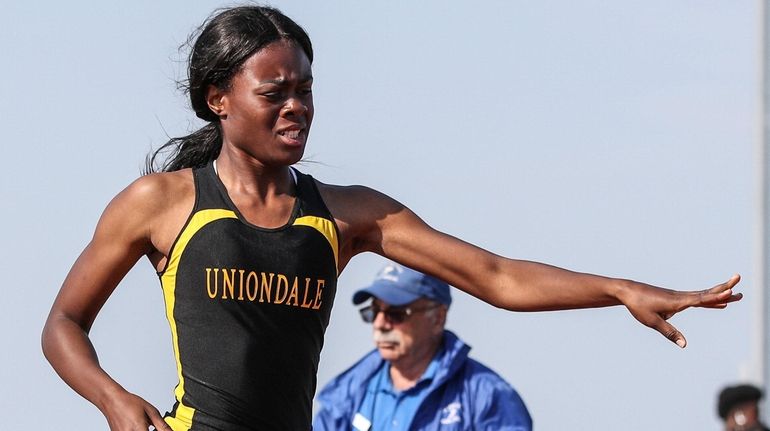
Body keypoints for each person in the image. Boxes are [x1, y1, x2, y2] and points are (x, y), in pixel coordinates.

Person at [40, 5, 742, 431]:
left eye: (306, 91)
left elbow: (495, 275)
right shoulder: (162, 204)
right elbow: (63, 324)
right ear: (218, 98)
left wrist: (620, 289)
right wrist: (114, 399)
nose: (297, 107)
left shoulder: (348, 215)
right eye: (275, 91)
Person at [313, 263, 532, 430]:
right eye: (373, 311)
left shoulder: (488, 395)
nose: (380, 323)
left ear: (437, 318)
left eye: (396, 314)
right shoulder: (347, 393)